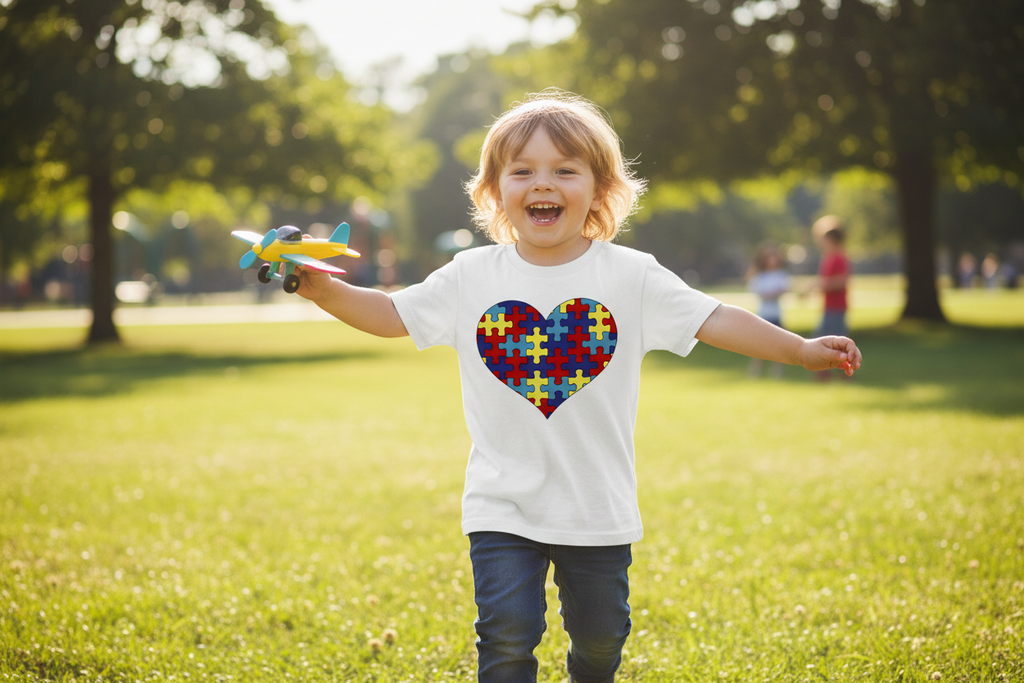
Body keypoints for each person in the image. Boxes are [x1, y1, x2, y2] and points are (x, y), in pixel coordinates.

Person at [295, 90, 862, 682]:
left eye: (565, 170)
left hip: (595, 505)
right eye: (522, 171)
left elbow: (715, 318)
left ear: (600, 189)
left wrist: (799, 349)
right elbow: (391, 314)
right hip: (502, 503)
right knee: (506, 633)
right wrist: (322, 288)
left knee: (600, 636)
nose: (543, 183)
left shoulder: (631, 275)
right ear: (494, 191)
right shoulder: (471, 276)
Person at [746, 241, 790, 378]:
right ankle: (756, 371)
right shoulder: (759, 276)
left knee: (778, 343)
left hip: (776, 314)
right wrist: (772, 293)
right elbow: (760, 293)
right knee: (759, 344)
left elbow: (783, 290)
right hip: (763, 314)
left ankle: (777, 371)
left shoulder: (781, 274)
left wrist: (771, 294)